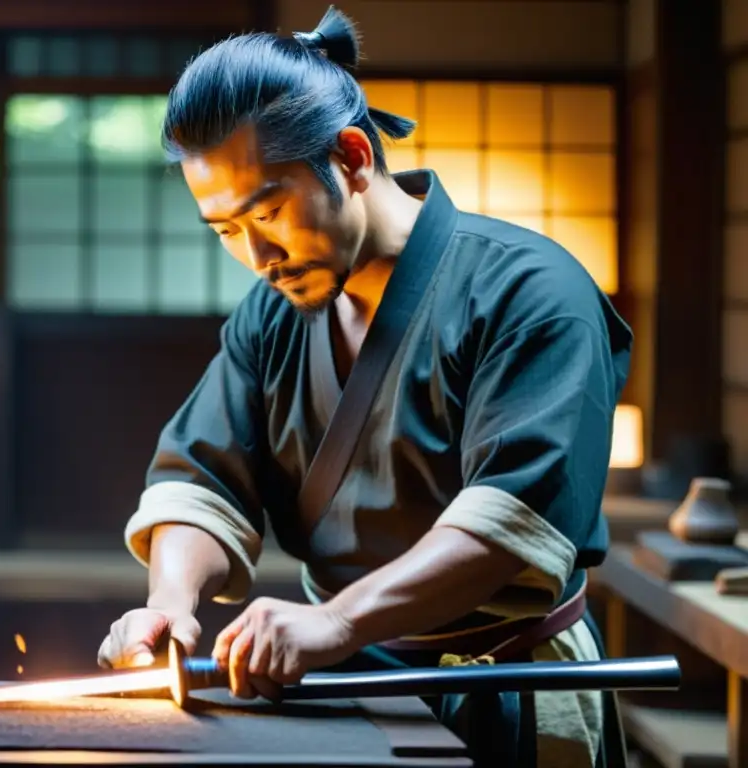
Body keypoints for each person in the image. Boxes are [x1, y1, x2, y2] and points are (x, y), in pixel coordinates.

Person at [97, 6, 633, 767]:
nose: (257, 257)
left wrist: (339, 621)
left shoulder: (532, 293)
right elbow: (206, 478)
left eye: (270, 212)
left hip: (507, 677)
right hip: (341, 687)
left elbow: (511, 519)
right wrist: (169, 606)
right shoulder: (272, 316)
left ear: (350, 159)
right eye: (224, 231)